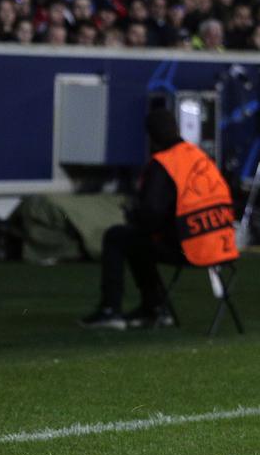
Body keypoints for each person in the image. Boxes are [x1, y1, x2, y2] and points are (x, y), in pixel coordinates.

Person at [79, 108, 238, 330]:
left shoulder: (164, 164)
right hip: (223, 247)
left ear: (151, 138)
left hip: (192, 248)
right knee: (138, 241)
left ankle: (112, 310)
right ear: (176, 128)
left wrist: (133, 214)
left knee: (118, 237)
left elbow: (150, 216)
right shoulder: (200, 157)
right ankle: (153, 308)